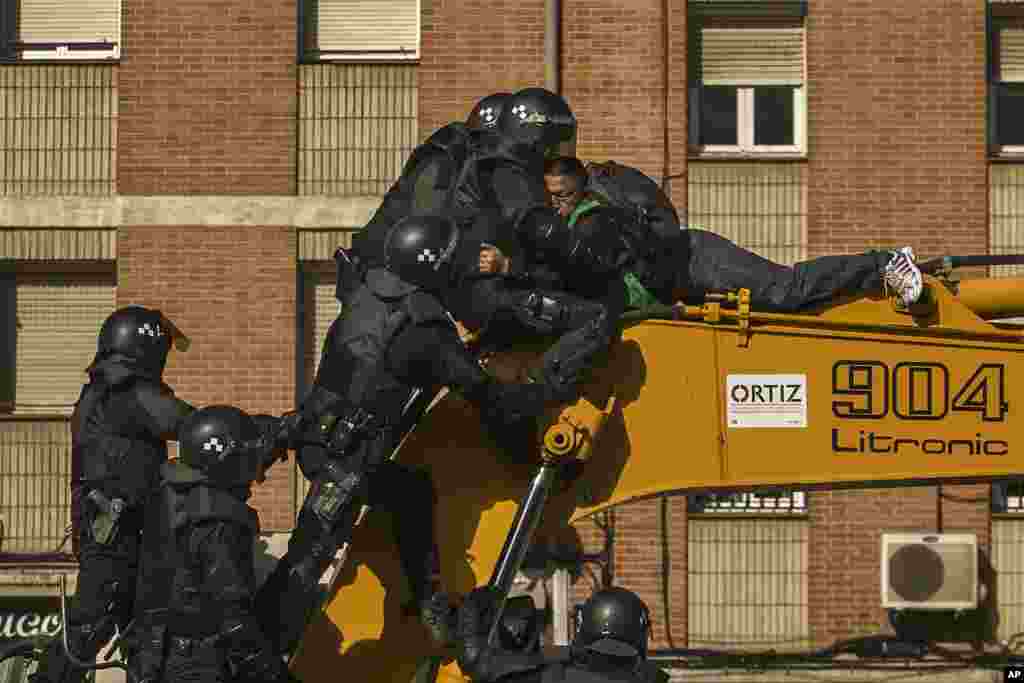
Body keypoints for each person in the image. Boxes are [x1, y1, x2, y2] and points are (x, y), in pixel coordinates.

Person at [256, 214, 562, 657]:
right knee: (309, 556)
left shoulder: (366, 294)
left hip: (317, 438)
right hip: (350, 460)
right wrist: (533, 401)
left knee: (408, 493)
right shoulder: (422, 326)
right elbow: (478, 390)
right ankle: (261, 648)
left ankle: (426, 602)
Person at [31, 306, 195, 683]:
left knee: (141, 628)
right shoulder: (127, 391)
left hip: (118, 526)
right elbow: (183, 421)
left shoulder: (101, 390)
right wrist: (229, 431)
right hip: (114, 530)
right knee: (96, 619)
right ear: (146, 348)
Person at [540, 155, 925, 312]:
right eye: (551, 197)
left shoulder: (600, 216)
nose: (557, 204)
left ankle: (884, 264)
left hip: (696, 259)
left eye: (563, 196)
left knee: (784, 290)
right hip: (683, 279)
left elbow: (662, 237)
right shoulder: (577, 222)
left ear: (581, 186)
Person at [128, 405, 291, 683]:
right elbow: (233, 620)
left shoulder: (168, 493)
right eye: (247, 455)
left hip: (150, 655)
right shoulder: (219, 517)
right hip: (196, 664)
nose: (254, 466)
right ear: (226, 458)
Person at [456, 585, 668, 682]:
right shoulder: (651, 678)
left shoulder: (554, 674)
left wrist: (466, 624)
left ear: (583, 625)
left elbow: (481, 666)